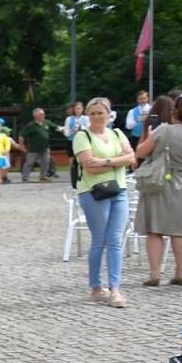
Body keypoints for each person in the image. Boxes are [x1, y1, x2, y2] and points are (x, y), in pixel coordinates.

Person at [72, 96, 137, 307]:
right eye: (93, 113)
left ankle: (115, 289)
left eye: (101, 112)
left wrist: (106, 162)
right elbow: (90, 166)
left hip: (119, 190)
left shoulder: (117, 133)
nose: (97, 116)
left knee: (116, 240)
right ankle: (96, 287)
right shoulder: (82, 137)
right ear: (87, 116)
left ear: (109, 114)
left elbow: (132, 158)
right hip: (93, 192)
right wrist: (119, 162)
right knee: (99, 239)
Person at [134, 95, 182, 287]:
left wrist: (147, 135)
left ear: (175, 112)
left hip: (158, 183)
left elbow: (140, 152)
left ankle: (155, 273)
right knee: (181, 232)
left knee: (155, 230)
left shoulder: (163, 130)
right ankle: (181, 272)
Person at [19, 108, 53, 182]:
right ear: (36, 116)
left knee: (46, 162)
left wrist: (62, 129)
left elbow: (56, 127)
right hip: (33, 148)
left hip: (45, 147)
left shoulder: (46, 123)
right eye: (41, 114)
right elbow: (22, 135)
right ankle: (25, 177)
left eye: (43, 114)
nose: (43, 115)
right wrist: (21, 145)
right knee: (29, 162)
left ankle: (43, 176)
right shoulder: (31, 126)